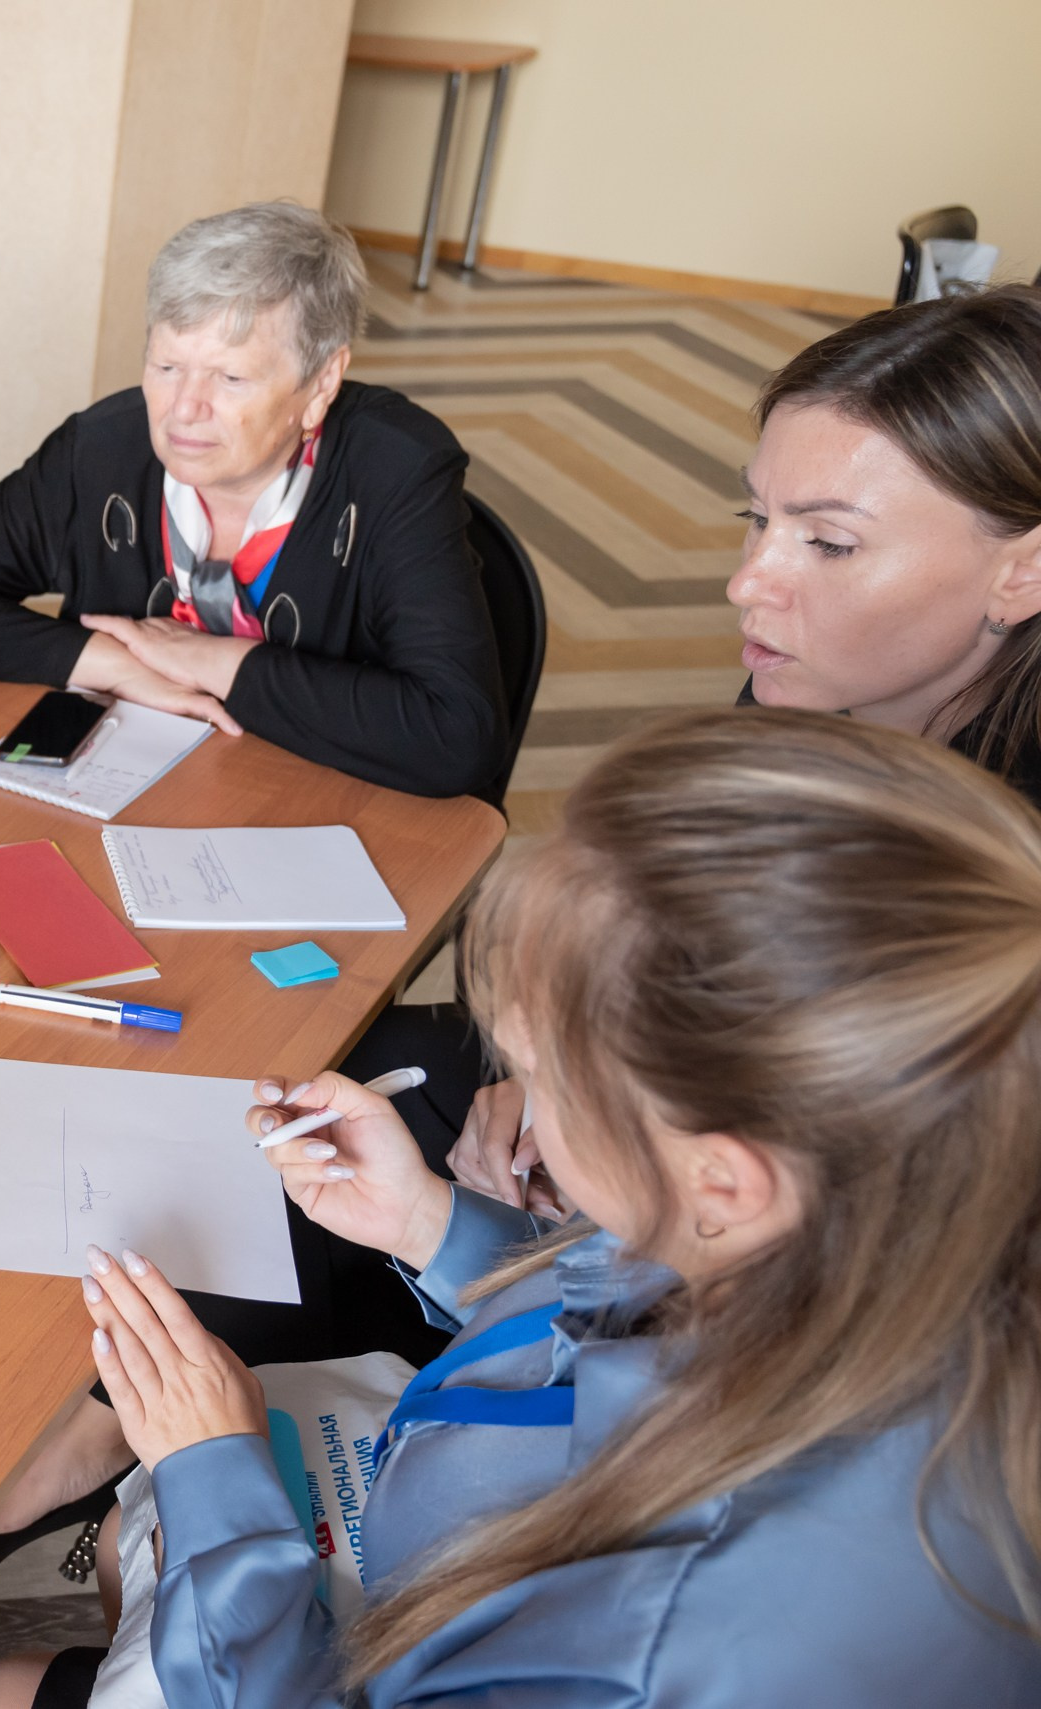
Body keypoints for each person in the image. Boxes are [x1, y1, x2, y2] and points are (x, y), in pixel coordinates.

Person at [0, 708, 1041, 1707]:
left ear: (722, 1175)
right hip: (424, 1554)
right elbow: (642, 1291)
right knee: (123, 1556)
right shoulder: (886, 1207)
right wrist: (435, 1227)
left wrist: (215, 1482)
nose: (518, 1107)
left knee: (8, 1678)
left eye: (547, 1081)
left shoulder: (676, 1638)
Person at [359, 283, 1041, 1209]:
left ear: (1024, 570)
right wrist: (573, 1068)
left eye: (830, 543)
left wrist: (604, 1113)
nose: (749, 581)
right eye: (757, 519)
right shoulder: (800, 693)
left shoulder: (1003, 893)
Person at [0, 202, 507, 801]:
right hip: (126, 800)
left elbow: (457, 735)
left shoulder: (395, 471)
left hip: (305, 816)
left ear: (321, 384)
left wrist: (214, 663)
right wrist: (114, 664)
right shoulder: (102, 451)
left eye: (231, 378)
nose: (183, 410)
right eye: (166, 365)